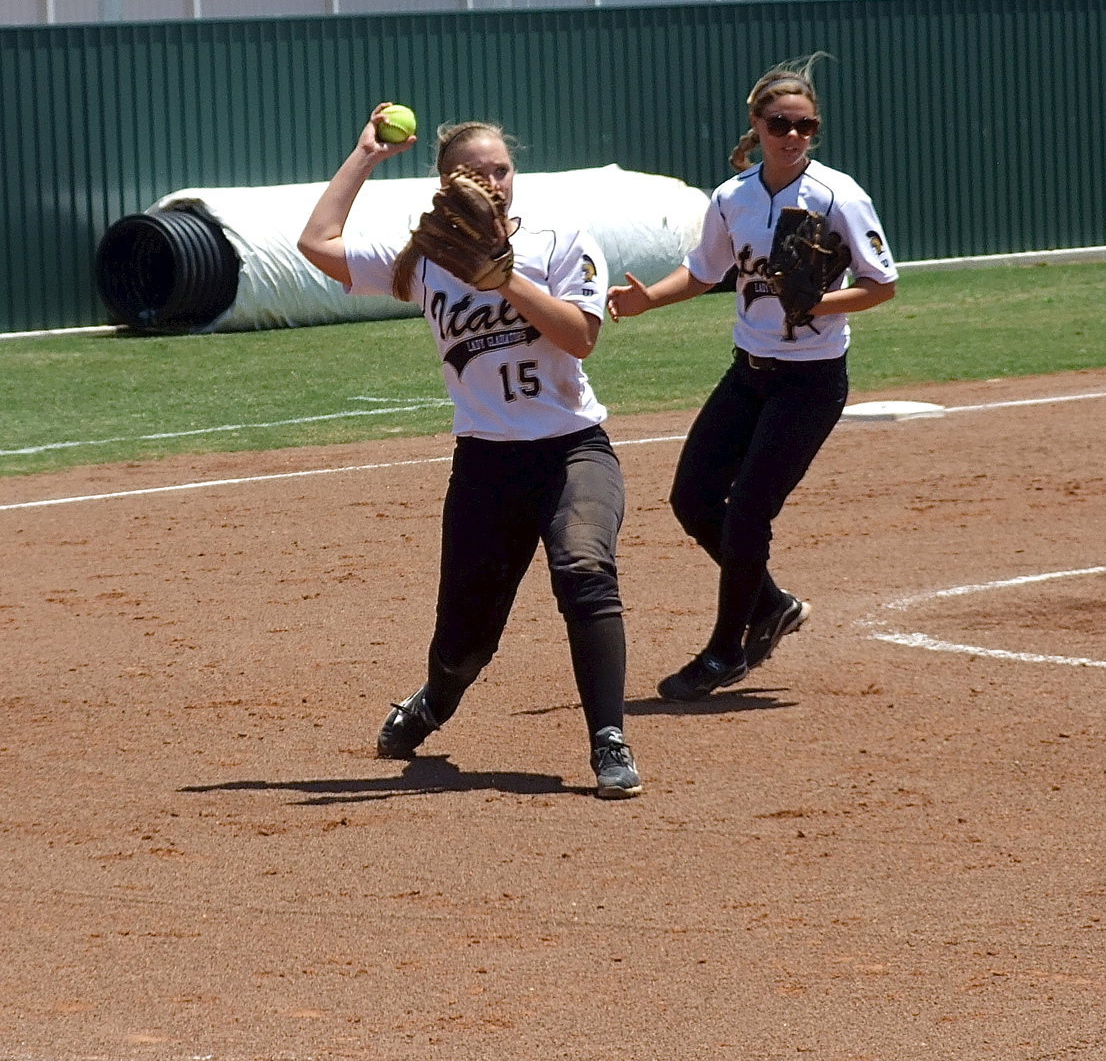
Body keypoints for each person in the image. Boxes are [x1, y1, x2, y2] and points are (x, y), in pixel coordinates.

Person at [298, 103, 641, 798]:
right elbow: (317, 243)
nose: (492, 181)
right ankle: (434, 698)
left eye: (501, 169)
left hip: (573, 450)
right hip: (486, 466)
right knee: (464, 645)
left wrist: (504, 278)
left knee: (584, 569)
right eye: (473, 172)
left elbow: (579, 337)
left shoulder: (562, 238)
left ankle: (609, 740)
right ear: (446, 184)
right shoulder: (425, 260)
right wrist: (365, 154)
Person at [607, 54, 898, 701]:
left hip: (812, 381)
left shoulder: (837, 196)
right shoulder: (732, 197)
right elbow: (706, 271)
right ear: (757, 125)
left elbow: (883, 285)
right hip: (749, 373)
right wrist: (650, 298)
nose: (793, 135)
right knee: (692, 498)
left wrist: (818, 303)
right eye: (780, 123)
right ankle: (771, 606)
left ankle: (724, 653)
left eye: (806, 125)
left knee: (748, 516)